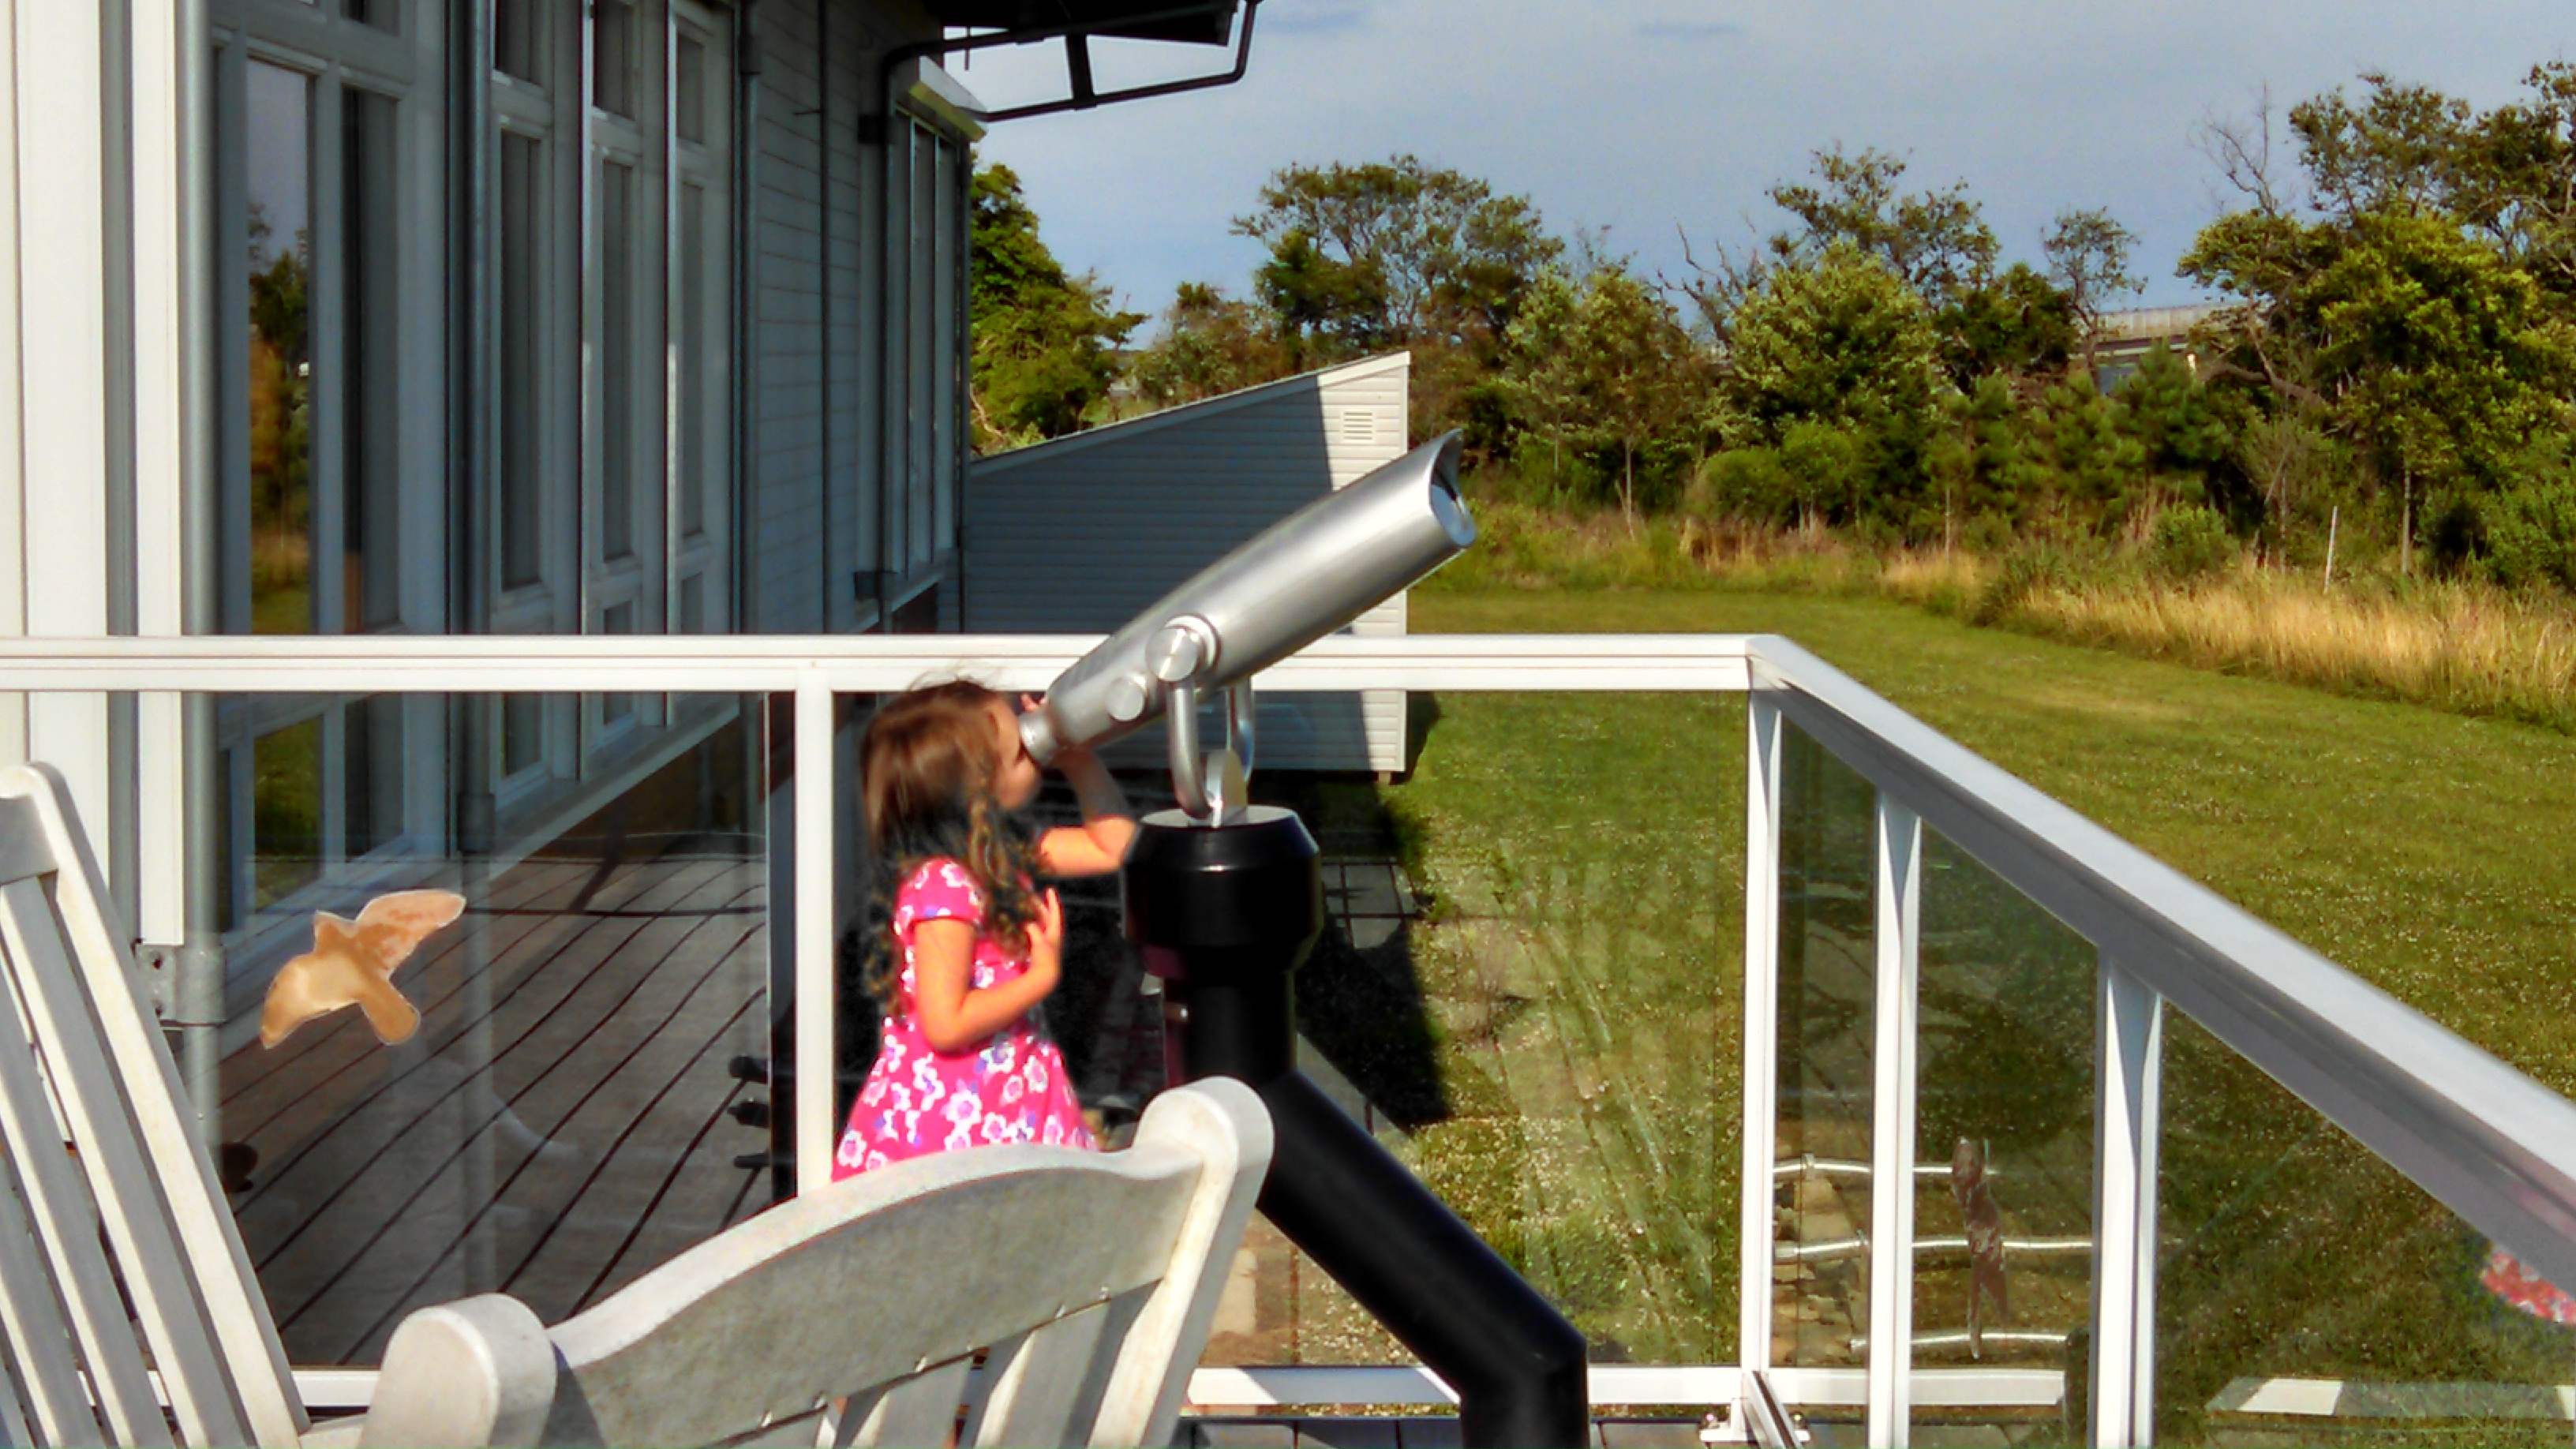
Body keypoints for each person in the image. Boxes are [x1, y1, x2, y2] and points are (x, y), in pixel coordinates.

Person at [833, 680, 1134, 1179]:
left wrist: (1079, 761)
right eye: (1020, 750)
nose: (1033, 751)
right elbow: (946, 1024)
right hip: (953, 1125)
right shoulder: (944, 888)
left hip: (1008, 1102)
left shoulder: (1000, 854)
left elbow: (1115, 847)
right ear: (975, 790)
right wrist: (1040, 979)